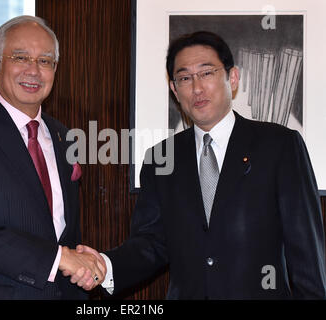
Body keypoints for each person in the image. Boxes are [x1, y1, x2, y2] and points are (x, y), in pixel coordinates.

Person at [75, 31, 326, 299]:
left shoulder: (279, 145)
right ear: (174, 89)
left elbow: (306, 254)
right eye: (184, 78)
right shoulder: (160, 158)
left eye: (206, 73)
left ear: (232, 78)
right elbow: (152, 244)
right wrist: (106, 266)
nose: (196, 88)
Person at [0, 15, 105, 300]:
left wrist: (83, 264)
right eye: (21, 57)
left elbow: (60, 231)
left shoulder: (65, 137)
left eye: (45, 61)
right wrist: (60, 258)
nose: (34, 71)